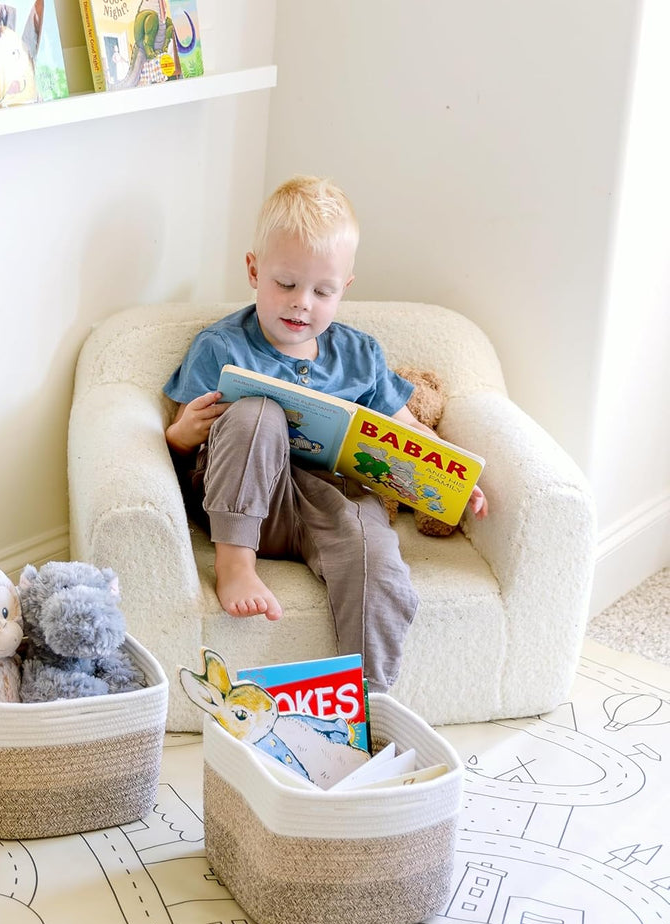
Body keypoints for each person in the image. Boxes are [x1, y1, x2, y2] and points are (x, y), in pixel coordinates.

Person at [163, 175, 488, 693]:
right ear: (253, 270)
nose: (302, 304)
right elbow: (177, 439)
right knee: (257, 414)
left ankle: (369, 701)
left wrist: (448, 474)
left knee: (377, 562)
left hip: (331, 502)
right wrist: (183, 433)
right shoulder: (221, 346)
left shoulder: (361, 354)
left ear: (345, 289)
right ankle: (235, 564)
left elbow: (404, 429)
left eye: (322, 291)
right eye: (285, 284)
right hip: (247, 497)